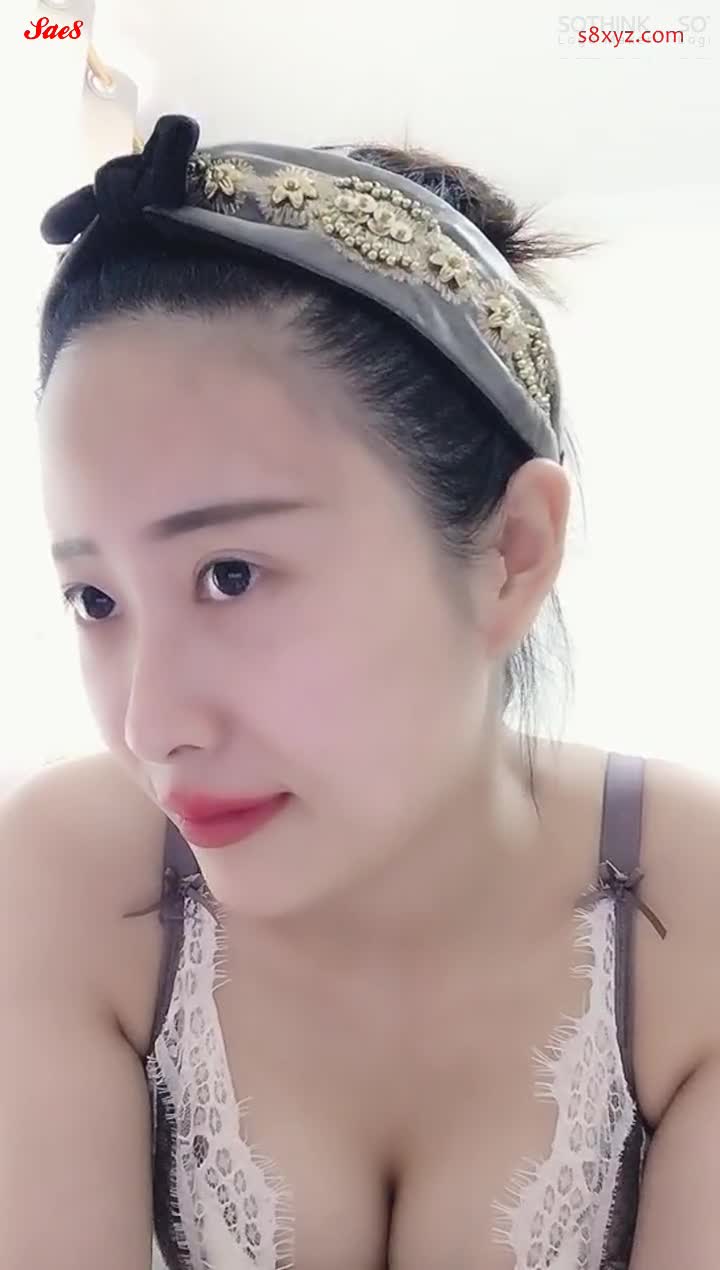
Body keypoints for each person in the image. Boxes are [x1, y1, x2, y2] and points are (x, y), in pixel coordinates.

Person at [1, 114, 718, 1270]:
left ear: (512, 554)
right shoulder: (75, 873)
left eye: (231, 575)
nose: (151, 725)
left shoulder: (694, 913)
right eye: (95, 599)